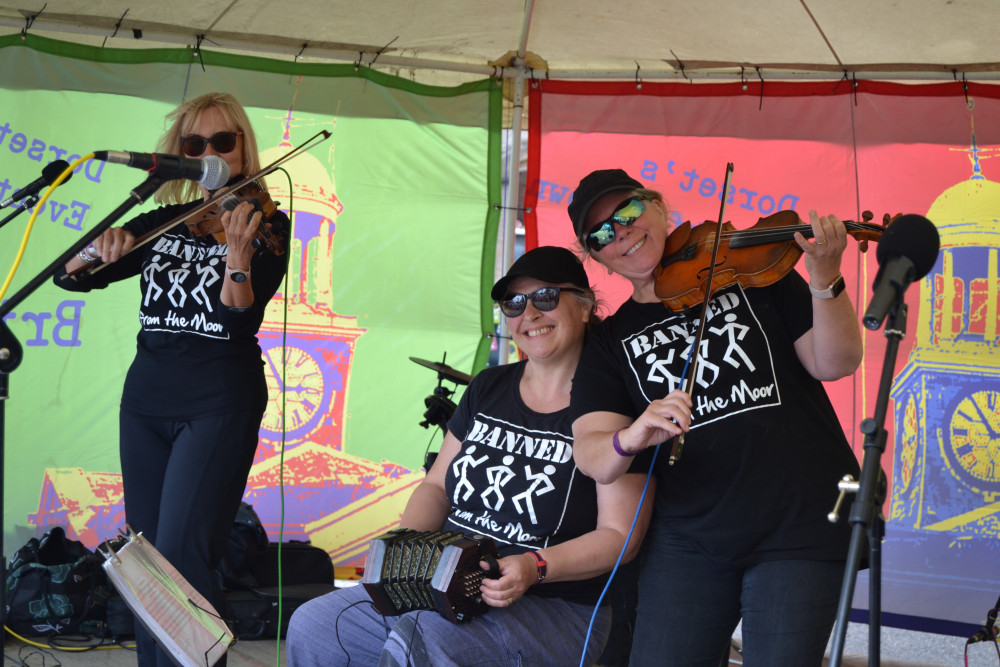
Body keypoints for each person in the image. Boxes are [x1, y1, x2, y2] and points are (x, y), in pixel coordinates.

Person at [286, 246, 653, 666]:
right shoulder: (489, 386)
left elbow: (620, 537)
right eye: (514, 302)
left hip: (556, 608)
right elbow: (437, 485)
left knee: (418, 643)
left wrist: (536, 565)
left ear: (586, 307)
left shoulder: (615, 405)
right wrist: (403, 553)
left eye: (546, 297)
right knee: (314, 624)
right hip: (450, 589)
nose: (529, 313)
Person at [566, 169, 864, 667]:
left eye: (629, 213)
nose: (619, 233)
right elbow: (593, 456)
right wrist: (634, 434)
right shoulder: (608, 342)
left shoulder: (755, 275)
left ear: (659, 209)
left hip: (800, 520)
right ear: (596, 256)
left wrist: (825, 279)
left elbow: (836, 362)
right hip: (689, 540)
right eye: (600, 234)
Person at [53, 92, 288, 667]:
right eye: (194, 144)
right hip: (146, 403)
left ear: (242, 147)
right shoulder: (165, 220)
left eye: (222, 142)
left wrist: (235, 256)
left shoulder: (266, 222)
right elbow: (71, 277)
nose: (209, 152)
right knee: (147, 558)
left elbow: (239, 315)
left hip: (217, 402)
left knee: (184, 554)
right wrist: (96, 251)